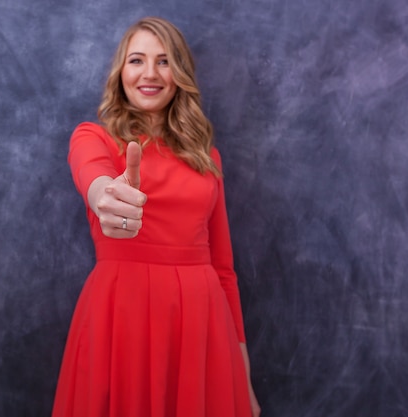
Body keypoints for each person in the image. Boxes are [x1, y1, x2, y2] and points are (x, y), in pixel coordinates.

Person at [52, 16, 261, 417]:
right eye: (137, 60)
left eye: (164, 61)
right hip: (122, 318)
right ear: (120, 73)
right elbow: (92, 176)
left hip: (202, 326)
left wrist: (243, 376)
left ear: (180, 73)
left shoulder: (207, 159)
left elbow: (224, 268)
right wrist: (105, 197)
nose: (150, 73)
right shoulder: (93, 137)